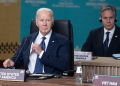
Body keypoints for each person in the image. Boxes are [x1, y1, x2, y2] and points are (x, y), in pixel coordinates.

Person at [3, 8, 70, 75]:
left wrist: (41, 53)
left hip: (51, 81)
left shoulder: (62, 41)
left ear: (52, 22)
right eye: (41, 20)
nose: (44, 24)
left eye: (48, 20)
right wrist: (11, 63)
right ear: (36, 23)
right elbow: (17, 60)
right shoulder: (27, 39)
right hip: (29, 79)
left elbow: (63, 65)